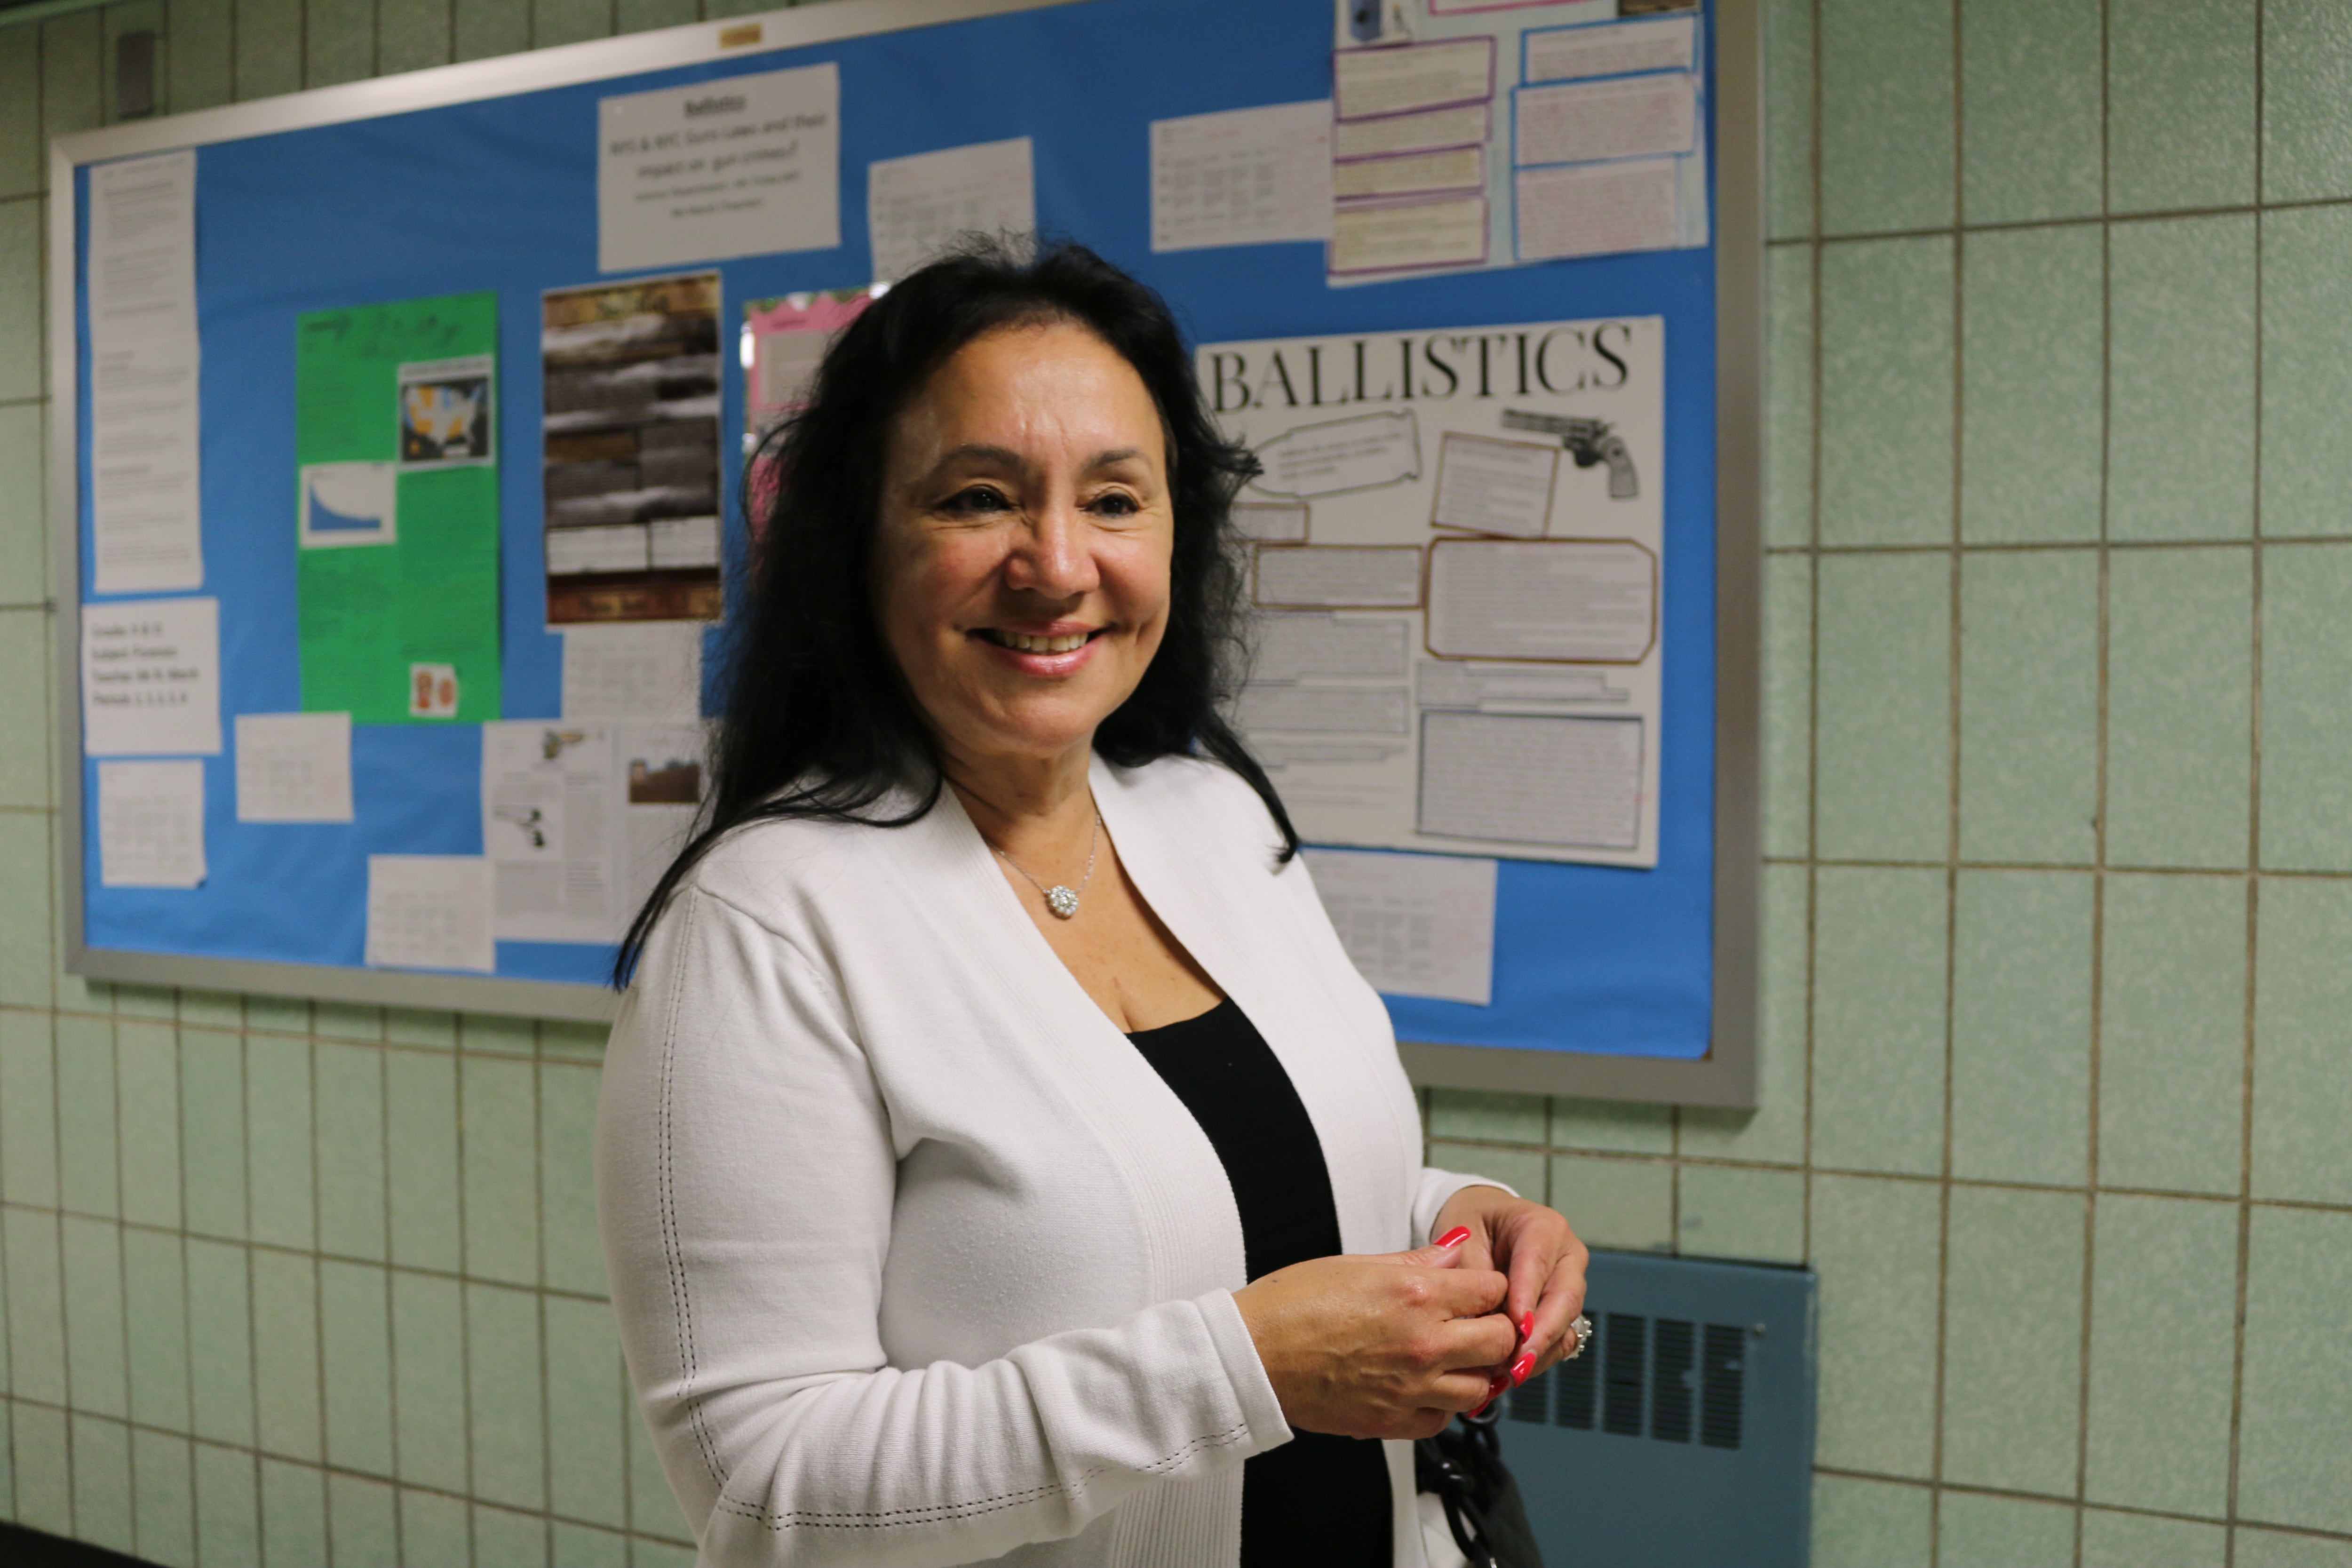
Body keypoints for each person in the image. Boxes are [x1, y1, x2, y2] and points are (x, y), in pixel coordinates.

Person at [595, 240, 1590, 1568]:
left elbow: (1231, 1175)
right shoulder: (772, 924)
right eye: (978, 499)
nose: (1057, 564)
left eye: (1114, 499)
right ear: (860, 544)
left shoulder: (1212, 821)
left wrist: (1457, 1221)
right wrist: (1243, 1373)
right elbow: (766, 1490)